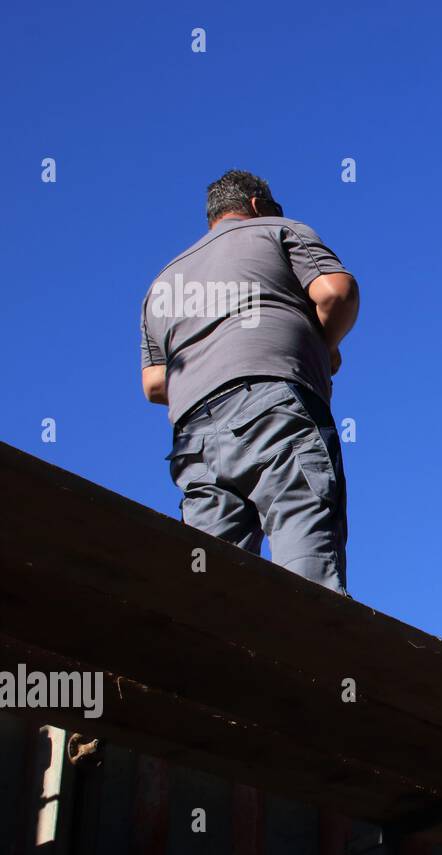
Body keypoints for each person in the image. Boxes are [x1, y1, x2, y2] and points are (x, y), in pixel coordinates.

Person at [139, 170, 359, 594]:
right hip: (275, 404)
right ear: (258, 205)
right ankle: (313, 654)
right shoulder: (276, 230)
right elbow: (335, 292)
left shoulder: (162, 284)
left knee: (211, 576)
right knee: (304, 551)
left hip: (194, 437)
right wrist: (325, 346)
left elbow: (152, 383)